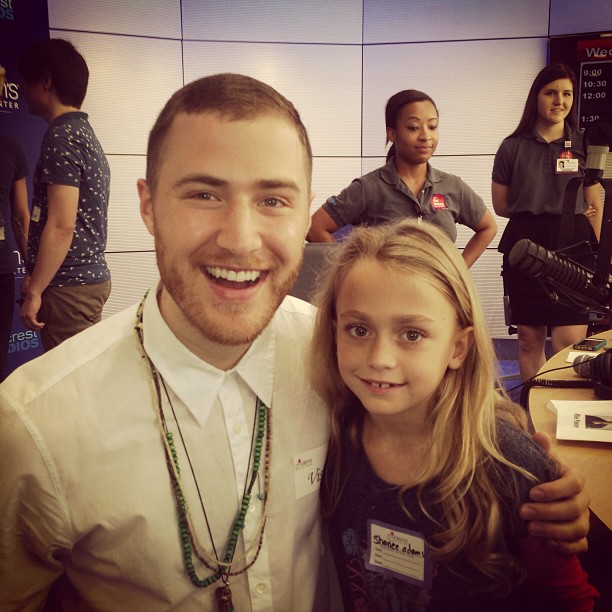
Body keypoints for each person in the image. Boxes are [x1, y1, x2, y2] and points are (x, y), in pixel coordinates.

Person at [0, 74, 590, 611]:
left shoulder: (339, 351)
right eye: (203, 194)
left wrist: (533, 475)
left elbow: (441, 399)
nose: (239, 238)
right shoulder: (36, 426)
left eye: (273, 200)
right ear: (148, 206)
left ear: (302, 210)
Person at [308, 219, 599, 611]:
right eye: (358, 329)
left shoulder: (507, 464)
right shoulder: (331, 441)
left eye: (412, 334)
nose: (379, 359)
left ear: (458, 348)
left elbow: (569, 599)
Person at [492, 63, 603, 381]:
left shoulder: (584, 145)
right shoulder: (511, 146)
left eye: (567, 94)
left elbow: (594, 202)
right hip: (526, 245)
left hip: (576, 244)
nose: (560, 100)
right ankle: (534, 415)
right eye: (551, 92)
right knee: (530, 339)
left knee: (572, 342)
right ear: (536, 98)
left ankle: (565, 412)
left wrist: (598, 259)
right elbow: (501, 205)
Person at [307, 89, 497, 268]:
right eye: (414, 127)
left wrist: (459, 271)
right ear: (392, 133)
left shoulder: (453, 186)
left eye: (432, 126)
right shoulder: (369, 188)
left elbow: (488, 227)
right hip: (387, 297)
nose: (425, 136)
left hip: (438, 297)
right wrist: (352, 270)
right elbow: (315, 227)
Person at [17, 38, 111, 351]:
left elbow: (61, 225)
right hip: (82, 280)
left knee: (72, 393)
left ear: (46, 81)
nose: (21, 88)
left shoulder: (62, 137)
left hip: (69, 287)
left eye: (26, 80)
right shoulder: (83, 134)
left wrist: (35, 292)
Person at [0, 64, 29, 381]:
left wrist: (31, 267)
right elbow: (20, 216)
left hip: (2, 270)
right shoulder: (12, 148)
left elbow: (21, 216)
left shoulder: (12, 149)